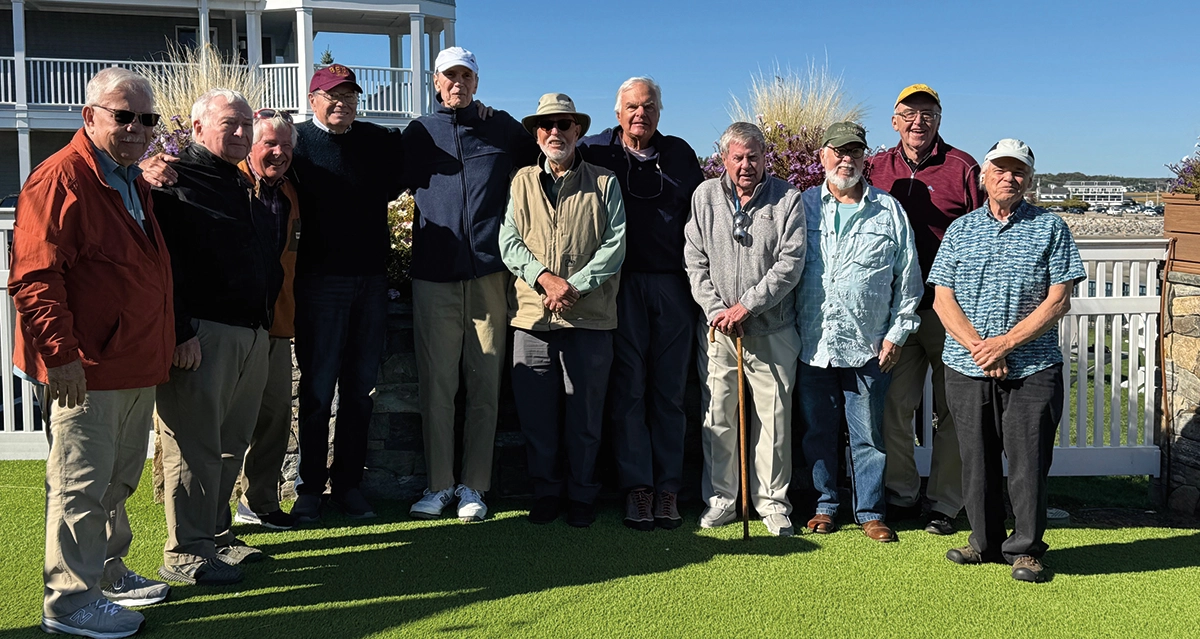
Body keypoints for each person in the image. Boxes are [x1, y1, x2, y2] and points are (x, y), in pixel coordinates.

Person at [10, 67, 173, 639]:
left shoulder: (129, 178)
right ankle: (70, 603)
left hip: (129, 361)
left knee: (114, 481)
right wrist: (61, 356)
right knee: (79, 485)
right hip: (85, 368)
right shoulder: (59, 179)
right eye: (122, 116)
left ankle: (104, 572)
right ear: (89, 116)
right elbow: (35, 278)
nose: (136, 128)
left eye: (146, 119)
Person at [930, 139, 1084, 583]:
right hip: (966, 364)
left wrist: (1006, 345)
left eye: (1018, 171)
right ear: (984, 175)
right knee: (975, 458)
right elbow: (942, 298)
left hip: (1033, 367)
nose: (1008, 177)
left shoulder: (1051, 228)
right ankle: (983, 541)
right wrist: (982, 347)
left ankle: (1026, 549)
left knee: (1028, 461)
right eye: (1000, 168)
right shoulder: (960, 230)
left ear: (1029, 180)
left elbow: (1058, 301)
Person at [402, 47, 538, 522]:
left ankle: (474, 487)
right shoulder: (419, 132)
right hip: (433, 277)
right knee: (437, 386)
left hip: (489, 273)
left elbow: (547, 159)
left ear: (476, 82)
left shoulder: (502, 129)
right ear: (436, 81)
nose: (457, 82)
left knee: (484, 386)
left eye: (466, 75)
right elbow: (379, 180)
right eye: (449, 76)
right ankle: (439, 485)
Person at [154, 88, 281, 586]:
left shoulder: (237, 181)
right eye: (230, 123)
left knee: (231, 444)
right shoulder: (173, 181)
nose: (241, 132)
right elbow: (167, 271)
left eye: (246, 124)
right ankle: (186, 552)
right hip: (202, 336)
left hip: (249, 331)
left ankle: (216, 535)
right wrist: (181, 332)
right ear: (198, 127)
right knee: (192, 446)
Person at [579, 77, 705, 531]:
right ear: (617, 113)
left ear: (659, 111)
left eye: (649, 106)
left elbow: (703, 217)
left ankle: (669, 489)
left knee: (669, 392)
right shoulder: (595, 151)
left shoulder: (680, 155)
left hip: (674, 286)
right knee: (628, 389)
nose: (640, 114)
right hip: (618, 285)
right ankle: (637, 488)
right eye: (632, 106)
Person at [499, 93, 626, 528]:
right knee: (538, 420)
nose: (556, 132)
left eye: (564, 124)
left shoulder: (605, 182)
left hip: (589, 319)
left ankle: (583, 495)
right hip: (531, 319)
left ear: (578, 131)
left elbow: (615, 245)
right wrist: (544, 279)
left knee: (586, 419)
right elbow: (509, 241)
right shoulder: (520, 182)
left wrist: (574, 287)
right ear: (537, 133)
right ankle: (547, 493)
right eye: (547, 125)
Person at [287, 65, 405, 522]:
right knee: (317, 393)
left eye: (350, 95)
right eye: (332, 95)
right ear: (313, 99)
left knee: (360, 391)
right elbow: (252, 166)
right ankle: (310, 489)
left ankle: (348, 486)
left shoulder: (377, 141)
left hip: (371, 282)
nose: (342, 103)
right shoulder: (295, 142)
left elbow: (410, 162)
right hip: (319, 284)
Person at [796, 122, 923, 543]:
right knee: (818, 430)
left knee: (868, 434)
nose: (845, 159)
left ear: (865, 158)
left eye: (854, 151)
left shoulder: (888, 211)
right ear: (823, 157)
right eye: (838, 151)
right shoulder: (803, 207)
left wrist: (896, 334)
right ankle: (824, 505)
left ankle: (870, 510)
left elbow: (908, 279)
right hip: (813, 343)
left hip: (868, 344)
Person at [868, 83, 983, 535]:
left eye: (928, 114)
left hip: (948, 306)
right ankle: (900, 494)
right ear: (895, 121)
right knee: (894, 405)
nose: (919, 121)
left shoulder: (963, 167)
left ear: (939, 119)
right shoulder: (876, 167)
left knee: (953, 408)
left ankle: (945, 502)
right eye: (909, 114)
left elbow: (983, 227)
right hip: (896, 308)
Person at [684, 121, 805, 537]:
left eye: (753, 156)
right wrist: (719, 310)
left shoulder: (787, 198)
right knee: (718, 415)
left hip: (772, 329)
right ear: (724, 159)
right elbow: (695, 259)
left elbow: (790, 264)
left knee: (773, 420)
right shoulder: (705, 196)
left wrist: (747, 306)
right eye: (737, 157)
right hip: (720, 332)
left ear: (764, 157)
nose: (746, 165)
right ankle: (722, 500)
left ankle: (771, 503)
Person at [232, 109, 303, 531]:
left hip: (277, 324)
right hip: (233, 325)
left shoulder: (292, 193)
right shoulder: (230, 185)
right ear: (250, 145)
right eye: (270, 144)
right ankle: (209, 520)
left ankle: (259, 502)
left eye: (287, 147)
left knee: (275, 417)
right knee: (228, 426)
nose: (279, 153)